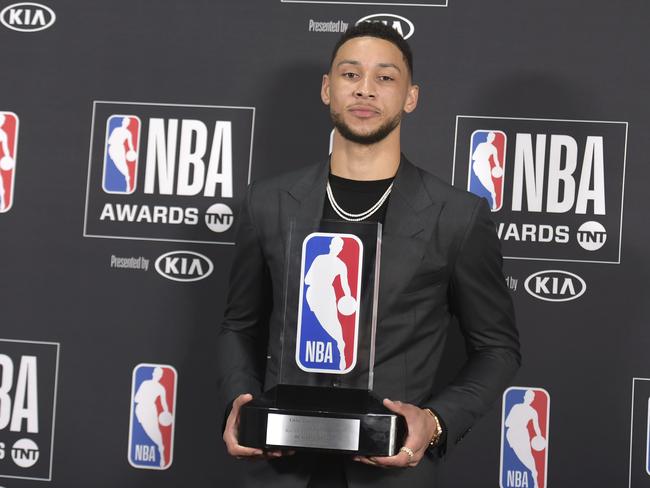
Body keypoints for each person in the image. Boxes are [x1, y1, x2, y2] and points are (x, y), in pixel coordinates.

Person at [217, 21, 521, 488]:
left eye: (385, 77)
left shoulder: (457, 215)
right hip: (278, 467)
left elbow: (497, 348)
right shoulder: (267, 202)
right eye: (350, 74)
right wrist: (241, 399)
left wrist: (435, 422)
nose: (365, 90)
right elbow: (240, 324)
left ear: (410, 96)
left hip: (388, 471)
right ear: (326, 89)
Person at [304, 235, 354, 371]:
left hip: (326, 295)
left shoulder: (340, 265)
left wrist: (348, 298)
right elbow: (307, 280)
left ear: (340, 249)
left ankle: (341, 348)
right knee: (318, 324)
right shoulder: (320, 259)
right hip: (314, 295)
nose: (336, 248)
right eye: (335, 245)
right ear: (331, 246)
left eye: (339, 246)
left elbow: (346, 285)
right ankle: (340, 344)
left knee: (334, 324)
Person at [505, 390, 545, 488]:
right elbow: (507, 423)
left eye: (532, 397)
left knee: (529, 458)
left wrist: (539, 437)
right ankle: (534, 473)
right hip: (513, 434)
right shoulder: (516, 407)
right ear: (525, 397)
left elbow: (537, 427)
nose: (530, 399)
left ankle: (535, 479)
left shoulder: (533, 411)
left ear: (532, 399)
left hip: (523, 434)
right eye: (529, 396)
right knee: (524, 457)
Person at [133, 366, 171, 468]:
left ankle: (162, 453)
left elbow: (164, 403)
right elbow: (136, 398)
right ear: (153, 373)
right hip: (141, 409)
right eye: (155, 372)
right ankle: (160, 448)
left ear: (161, 376)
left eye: (159, 374)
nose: (156, 375)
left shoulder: (161, 388)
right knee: (147, 431)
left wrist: (166, 412)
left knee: (155, 432)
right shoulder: (145, 383)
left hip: (150, 410)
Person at [471, 131, 503, 210]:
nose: (491, 138)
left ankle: (494, 199)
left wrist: (498, 167)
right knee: (481, 182)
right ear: (487, 137)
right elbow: (473, 157)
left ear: (493, 139)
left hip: (485, 165)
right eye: (490, 136)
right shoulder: (481, 145)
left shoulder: (493, 148)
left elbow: (496, 160)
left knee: (488, 182)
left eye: (493, 137)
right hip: (477, 165)